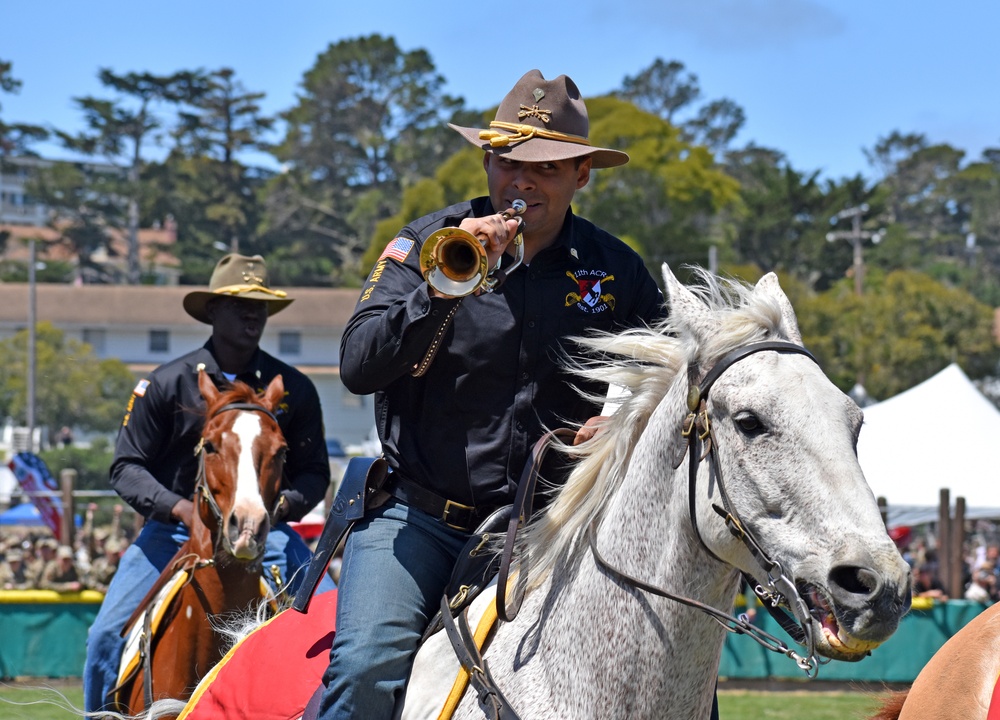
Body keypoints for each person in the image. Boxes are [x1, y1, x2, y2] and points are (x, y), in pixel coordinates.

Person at [317, 69, 667, 719]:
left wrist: (622, 424)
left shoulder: (619, 271)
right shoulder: (426, 244)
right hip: (418, 519)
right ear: (486, 162)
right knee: (364, 671)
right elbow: (357, 365)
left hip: (555, 525)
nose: (522, 181)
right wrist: (440, 288)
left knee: (664, 679)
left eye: (547, 167)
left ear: (582, 175)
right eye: (508, 162)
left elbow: (673, 377)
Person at [83, 253, 334, 715]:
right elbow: (126, 466)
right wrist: (177, 507)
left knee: (331, 625)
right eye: (239, 303)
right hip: (174, 532)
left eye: (259, 305)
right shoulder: (166, 383)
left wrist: (280, 508)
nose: (251, 314)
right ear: (212, 311)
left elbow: (316, 470)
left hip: (265, 530)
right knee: (103, 636)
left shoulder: (294, 387)